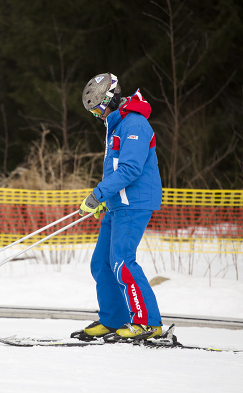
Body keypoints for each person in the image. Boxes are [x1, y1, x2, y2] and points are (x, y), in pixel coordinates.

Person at [78, 72, 163, 341]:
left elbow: (130, 169)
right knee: (102, 263)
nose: (98, 116)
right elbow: (116, 168)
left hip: (134, 204)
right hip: (118, 203)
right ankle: (114, 319)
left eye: (98, 110)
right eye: (93, 113)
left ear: (110, 99)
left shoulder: (134, 124)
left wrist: (98, 194)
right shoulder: (116, 123)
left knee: (123, 263)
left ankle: (148, 322)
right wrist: (107, 199)